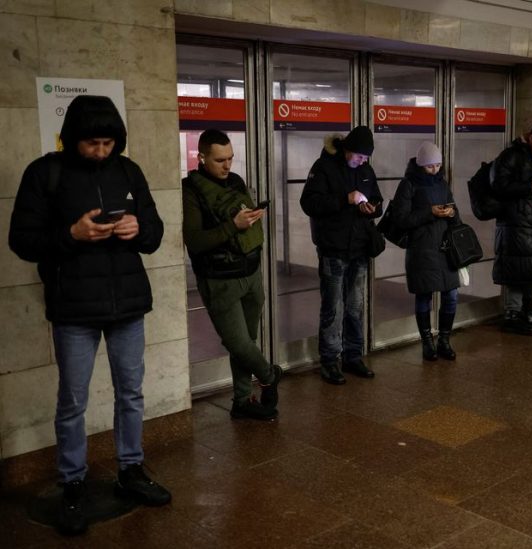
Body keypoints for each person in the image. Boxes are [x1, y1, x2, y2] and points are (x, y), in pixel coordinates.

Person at [8, 95, 171, 536]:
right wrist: (72, 234)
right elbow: (21, 240)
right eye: (92, 143)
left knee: (131, 393)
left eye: (108, 143)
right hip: (74, 308)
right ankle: (73, 483)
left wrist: (139, 229)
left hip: (128, 303)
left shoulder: (128, 170)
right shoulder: (46, 173)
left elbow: (155, 233)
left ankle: (131, 470)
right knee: (73, 400)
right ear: (72, 139)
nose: (101, 151)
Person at [182, 129, 281, 421]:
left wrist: (250, 219)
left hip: (250, 273)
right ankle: (269, 374)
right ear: (201, 157)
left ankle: (242, 400)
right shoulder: (191, 191)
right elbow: (195, 241)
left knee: (247, 340)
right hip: (219, 280)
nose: (227, 166)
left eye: (230, 159)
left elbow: (243, 223)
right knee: (238, 342)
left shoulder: (236, 181)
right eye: (219, 160)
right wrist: (233, 226)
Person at [300, 126, 383, 384]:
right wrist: (344, 199)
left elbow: (377, 200)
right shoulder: (324, 167)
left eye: (366, 158)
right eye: (358, 156)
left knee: (355, 306)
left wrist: (372, 208)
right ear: (347, 149)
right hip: (333, 249)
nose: (362, 161)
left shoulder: (366, 170)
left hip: (359, 248)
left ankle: (353, 355)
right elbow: (309, 203)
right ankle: (329, 360)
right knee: (332, 307)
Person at [392, 142, 460, 361]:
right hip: (421, 249)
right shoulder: (408, 185)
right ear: (421, 164)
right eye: (431, 166)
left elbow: (455, 214)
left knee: (451, 295)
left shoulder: (442, 183)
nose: (435, 170)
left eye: (438, 165)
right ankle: (427, 342)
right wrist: (429, 213)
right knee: (424, 295)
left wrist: (451, 213)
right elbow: (400, 219)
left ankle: (444, 340)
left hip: (444, 249)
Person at [490, 122, 532, 335]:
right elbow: (498, 185)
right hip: (513, 224)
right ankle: (513, 313)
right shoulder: (511, 156)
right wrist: (529, 187)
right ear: (531, 137)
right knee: (520, 268)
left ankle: (523, 311)